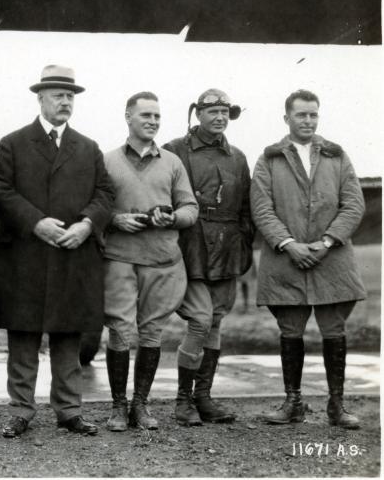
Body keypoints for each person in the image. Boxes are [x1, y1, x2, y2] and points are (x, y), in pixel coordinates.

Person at [0, 65, 115, 438]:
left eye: (70, 96)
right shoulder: (12, 143)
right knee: (23, 336)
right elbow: (2, 190)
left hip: (72, 253)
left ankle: (69, 410)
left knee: (68, 336)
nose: (65, 102)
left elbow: (105, 194)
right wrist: (36, 222)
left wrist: (86, 224)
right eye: (58, 95)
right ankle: (20, 411)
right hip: (26, 255)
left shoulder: (88, 147)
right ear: (40, 98)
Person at [251, 89, 365, 429]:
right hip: (286, 259)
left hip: (331, 259)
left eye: (313, 114)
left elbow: (354, 203)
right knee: (290, 329)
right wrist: (288, 243)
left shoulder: (336, 155)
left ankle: (337, 406)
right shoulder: (269, 159)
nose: (308, 121)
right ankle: (293, 402)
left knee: (334, 329)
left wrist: (327, 241)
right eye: (301, 115)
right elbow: (261, 207)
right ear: (286, 118)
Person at [102, 91, 198, 431]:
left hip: (161, 259)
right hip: (119, 258)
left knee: (152, 331)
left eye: (157, 116)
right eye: (145, 115)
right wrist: (114, 219)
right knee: (119, 330)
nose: (153, 121)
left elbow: (190, 208)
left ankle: (140, 405)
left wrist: (172, 218)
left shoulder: (172, 162)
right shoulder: (108, 160)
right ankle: (118, 406)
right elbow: (94, 206)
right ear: (128, 117)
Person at [162, 89, 254, 426]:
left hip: (227, 248)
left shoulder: (238, 157)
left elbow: (246, 209)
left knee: (215, 321)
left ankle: (203, 397)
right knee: (200, 320)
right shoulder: (174, 149)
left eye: (225, 111)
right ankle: (183, 400)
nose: (219, 117)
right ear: (197, 114)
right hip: (191, 247)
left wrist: (242, 243)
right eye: (212, 111)